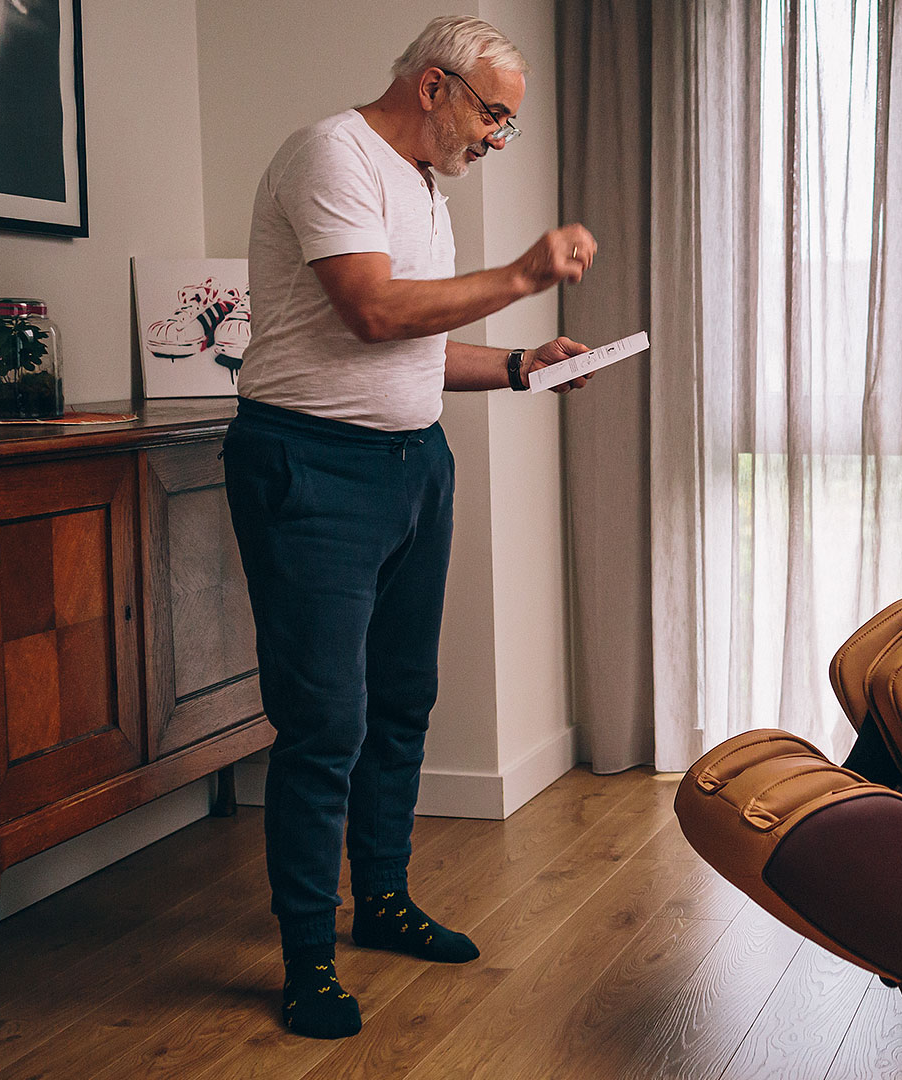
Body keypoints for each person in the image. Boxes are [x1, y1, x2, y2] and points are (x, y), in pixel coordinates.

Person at [223, 15, 597, 1040]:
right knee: (325, 721)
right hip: (310, 468)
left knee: (403, 700)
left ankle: (381, 900)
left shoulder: (427, 192)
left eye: (508, 126)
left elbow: (414, 355)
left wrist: (523, 365)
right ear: (434, 87)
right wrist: (521, 276)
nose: (496, 141)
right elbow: (374, 315)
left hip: (411, 464)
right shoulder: (329, 155)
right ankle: (307, 957)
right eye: (493, 116)